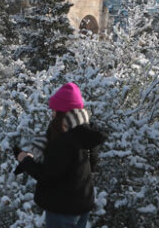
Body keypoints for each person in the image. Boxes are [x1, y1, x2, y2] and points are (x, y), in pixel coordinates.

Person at [14, 82, 107, 228]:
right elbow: (92, 165)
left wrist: (25, 160)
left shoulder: (64, 140)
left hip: (62, 208)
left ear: (63, 112)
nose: (52, 113)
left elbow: (48, 175)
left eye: (54, 110)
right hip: (82, 205)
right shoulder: (86, 133)